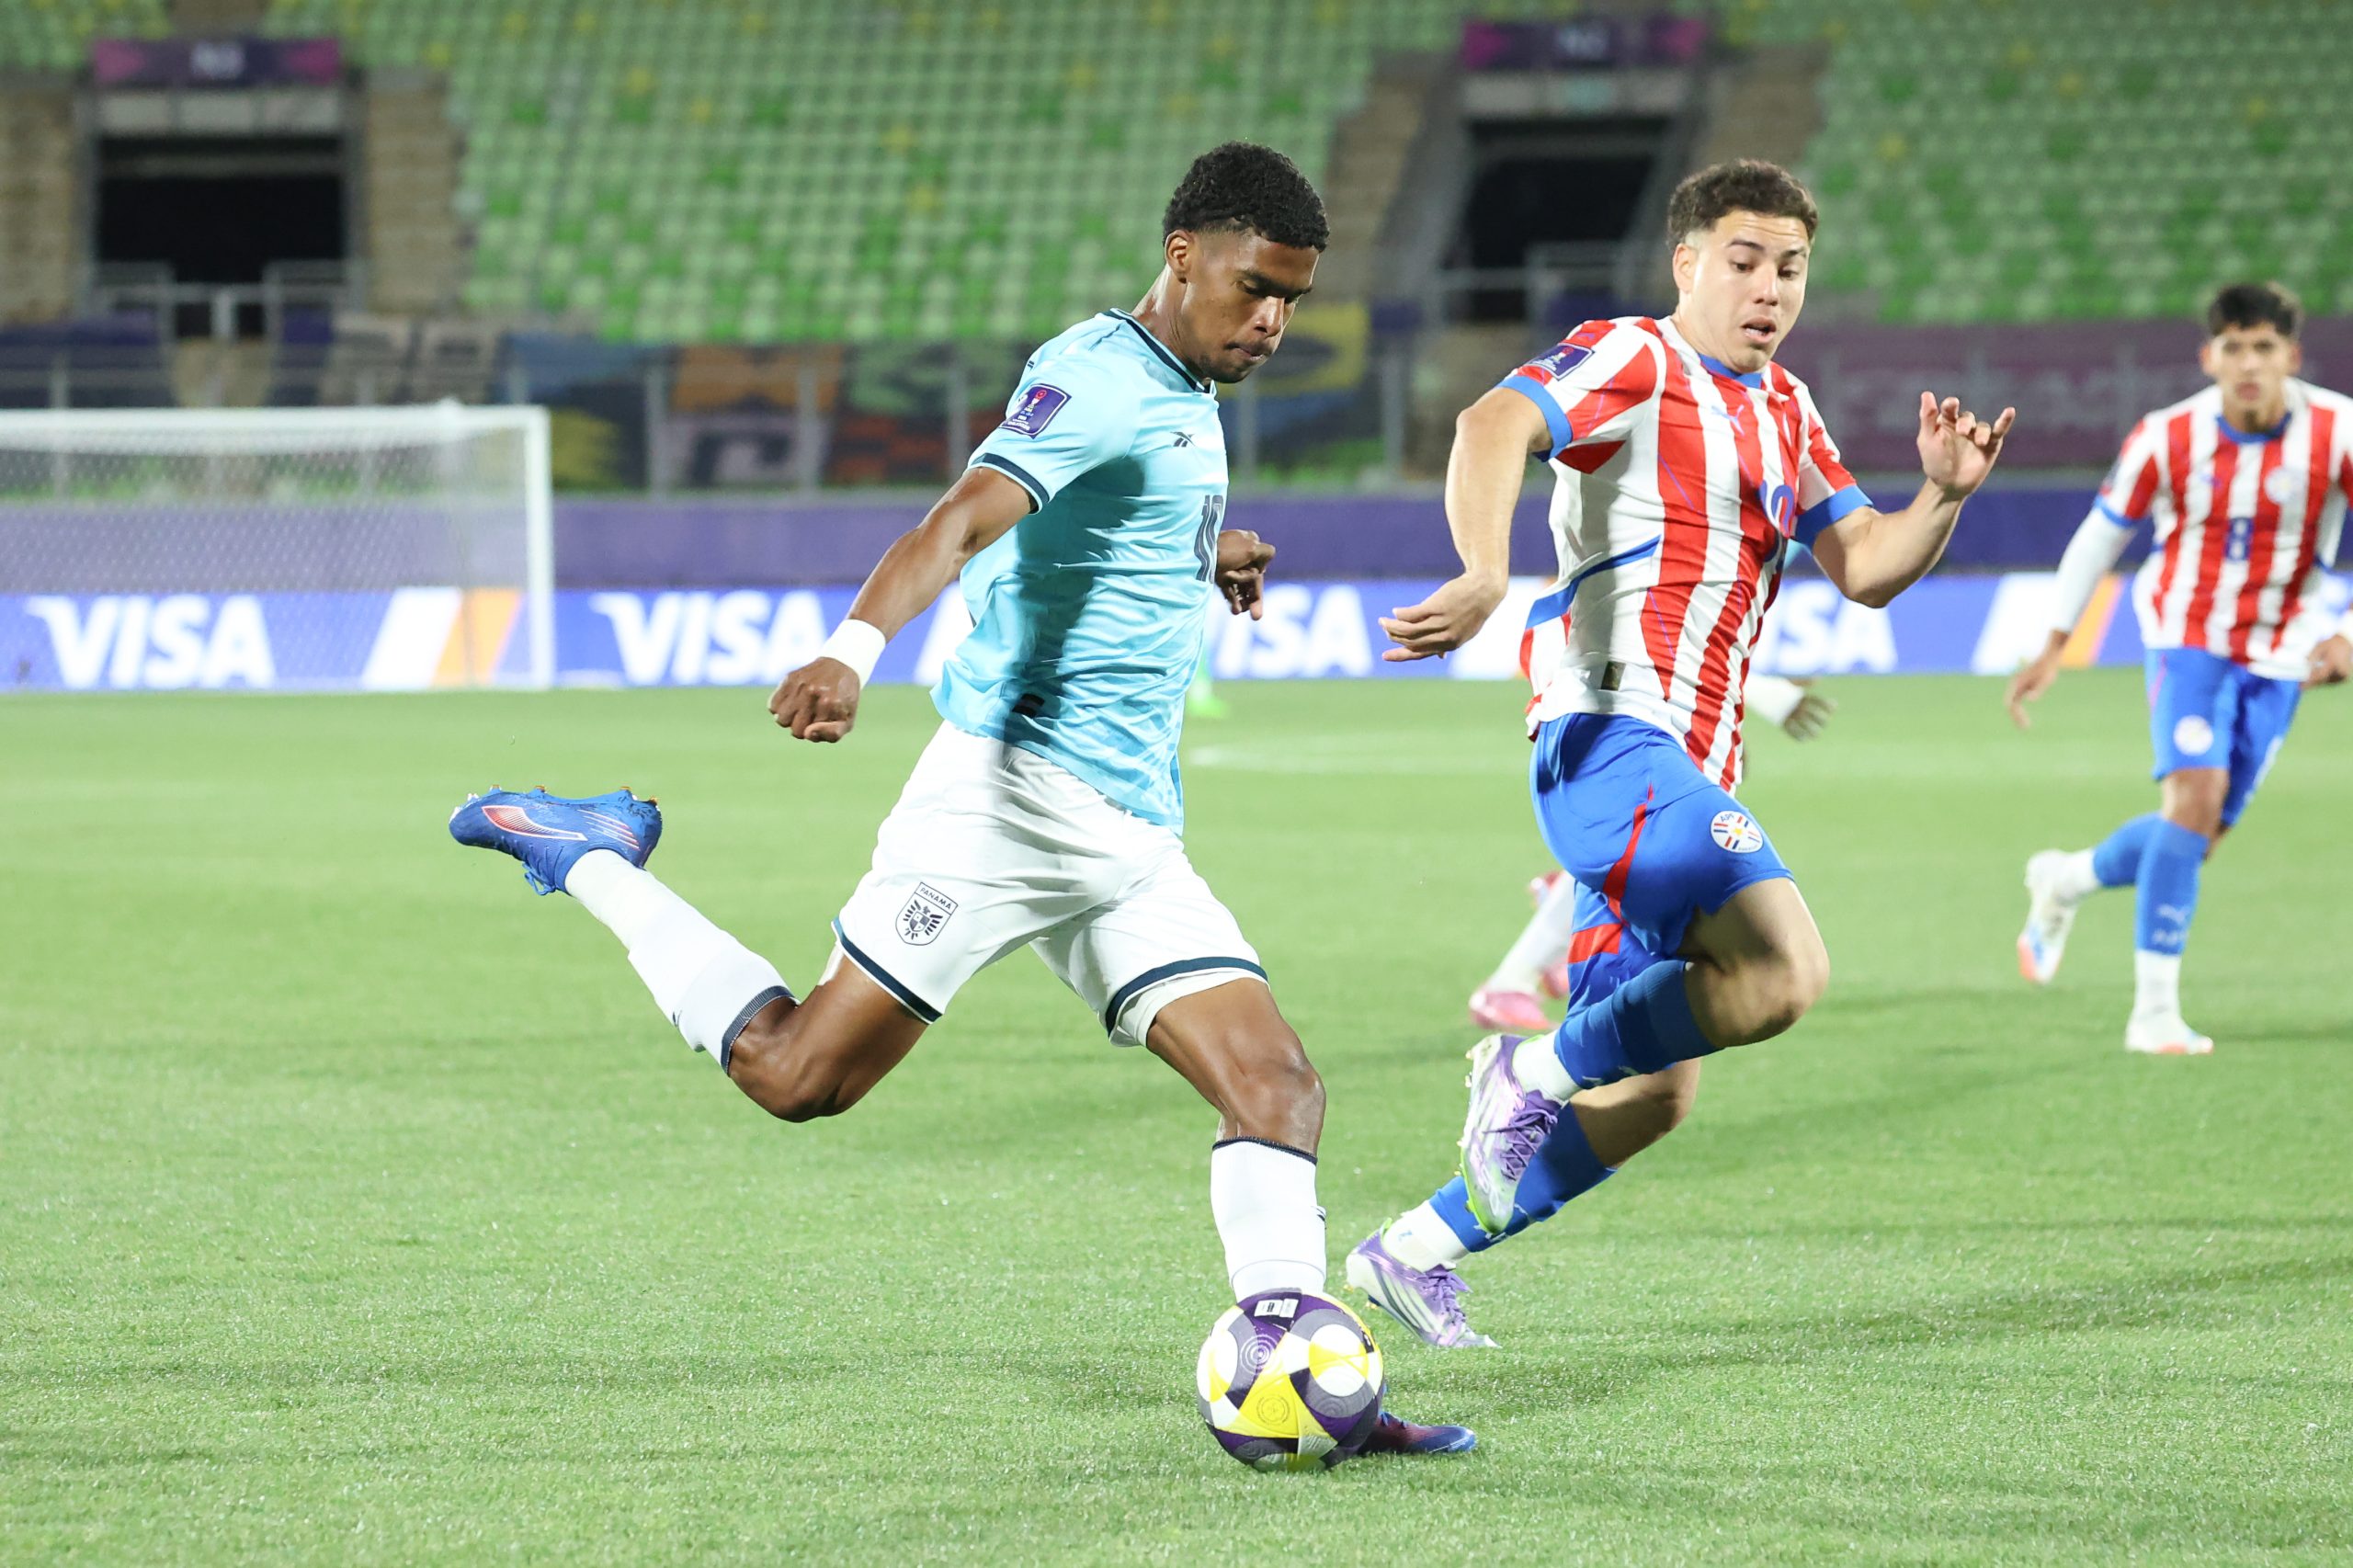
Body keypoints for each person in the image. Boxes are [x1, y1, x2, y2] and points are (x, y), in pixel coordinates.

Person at [449, 142, 1468, 1451]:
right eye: (1256, 287)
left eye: (1294, 300)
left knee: (1277, 1087)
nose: (1273, 320)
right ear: (1183, 255)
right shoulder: (1095, 375)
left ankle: (1311, 1396)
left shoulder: (1180, 384)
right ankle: (587, 852)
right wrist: (851, 648)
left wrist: (1199, 550)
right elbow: (962, 520)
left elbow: (1096, 522)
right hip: (1005, 803)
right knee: (797, 1074)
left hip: (1125, 832)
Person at [1343, 159, 2014, 1349]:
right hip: (1610, 727)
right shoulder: (1635, 358)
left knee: (1655, 1093)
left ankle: (1414, 1248)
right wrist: (1488, 569)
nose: (1770, 289)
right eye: (1746, 261)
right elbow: (1492, 419)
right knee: (1789, 970)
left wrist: (1941, 497)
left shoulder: (1789, 411)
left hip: (1690, 762)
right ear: (1689, 262)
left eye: (1791, 268)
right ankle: (1527, 1068)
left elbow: (1862, 565)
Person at [2006, 281, 2351, 1055]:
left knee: (2196, 836)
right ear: (2210, 357)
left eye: (2264, 347)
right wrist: (2054, 641)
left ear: (2291, 357)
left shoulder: (2339, 431)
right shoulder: (2167, 436)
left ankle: (2065, 880)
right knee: (2192, 801)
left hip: (2283, 650)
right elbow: (2100, 537)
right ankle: (2153, 1013)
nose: (2249, 364)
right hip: (2184, 634)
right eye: (2234, 348)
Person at [1469, 674, 1836, 1032]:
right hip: (1611, 707)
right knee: (1650, 837)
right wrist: (1767, 693)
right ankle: (1518, 985)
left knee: (1640, 836)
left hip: (1623, 705)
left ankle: (1552, 930)